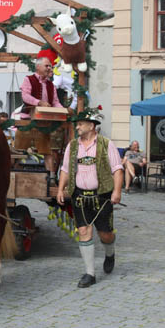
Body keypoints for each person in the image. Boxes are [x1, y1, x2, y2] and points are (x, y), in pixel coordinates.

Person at [56, 107, 123, 288]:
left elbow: (117, 169)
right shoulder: (73, 145)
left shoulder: (106, 144)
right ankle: (89, 273)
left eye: (80, 124)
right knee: (84, 232)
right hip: (79, 195)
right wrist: (61, 189)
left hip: (101, 196)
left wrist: (117, 192)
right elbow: (65, 169)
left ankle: (110, 253)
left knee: (105, 234)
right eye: (77, 124)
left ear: (92, 126)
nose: (77, 127)